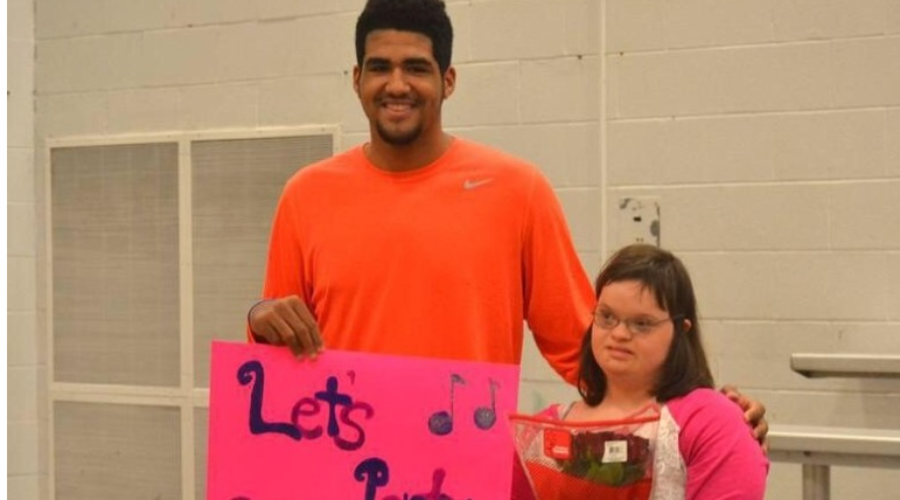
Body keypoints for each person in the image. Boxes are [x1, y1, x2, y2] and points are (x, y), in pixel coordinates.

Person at [246, 0, 768, 443]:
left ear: (448, 80)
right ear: (357, 79)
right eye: (380, 67)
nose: (397, 84)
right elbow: (278, 355)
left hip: (467, 475)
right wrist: (260, 316)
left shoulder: (516, 190)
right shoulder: (305, 195)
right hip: (345, 467)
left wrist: (704, 414)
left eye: (417, 68)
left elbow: (589, 351)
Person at [512, 244, 768, 499]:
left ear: (681, 331)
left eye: (642, 323)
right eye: (606, 316)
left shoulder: (711, 422)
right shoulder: (542, 433)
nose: (619, 333)